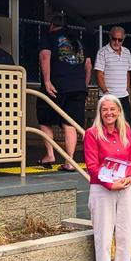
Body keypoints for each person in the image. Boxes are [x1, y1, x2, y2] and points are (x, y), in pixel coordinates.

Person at [84, 95, 131, 261]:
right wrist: (109, 184)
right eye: (104, 109)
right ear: (100, 112)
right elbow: (91, 166)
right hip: (102, 189)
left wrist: (129, 179)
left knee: (126, 235)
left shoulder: (126, 130)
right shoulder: (92, 133)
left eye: (112, 109)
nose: (108, 113)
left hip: (125, 188)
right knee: (104, 236)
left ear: (118, 111)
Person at [37, 12, 92, 170]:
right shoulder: (77, 41)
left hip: (58, 85)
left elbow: (45, 56)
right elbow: (88, 65)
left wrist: (47, 81)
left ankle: (50, 155)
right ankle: (70, 161)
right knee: (70, 123)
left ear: (52, 25)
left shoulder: (49, 36)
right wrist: (84, 84)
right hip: (78, 87)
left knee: (44, 118)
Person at [95, 26, 131, 122]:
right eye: (114, 39)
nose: (116, 42)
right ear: (110, 37)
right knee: (107, 124)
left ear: (123, 40)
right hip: (108, 96)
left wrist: (128, 91)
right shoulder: (102, 52)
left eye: (120, 40)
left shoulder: (127, 52)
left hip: (123, 96)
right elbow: (99, 74)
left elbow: (127, 73)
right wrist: (106, 92)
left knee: (125, 124)